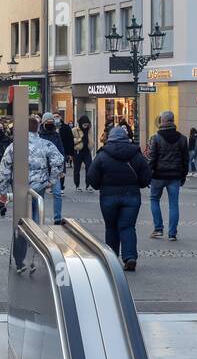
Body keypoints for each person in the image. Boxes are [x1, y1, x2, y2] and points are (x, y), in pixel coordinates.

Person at [87, 125, 152, 272]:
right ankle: (130, 257)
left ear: (110, 138)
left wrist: (98, 186)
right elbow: (146, 176)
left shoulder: (102, 155)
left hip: (108, 197)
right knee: (128, 226)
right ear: (125, 137)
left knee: (111, 227)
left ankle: (112, 258)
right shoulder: (136, 154)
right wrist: (139, 184)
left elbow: (91, 176)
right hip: (131, 197)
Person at [0, 117, 66, 225]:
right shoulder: (46, 144)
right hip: (40, 184)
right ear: (37, 128)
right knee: (37, 211)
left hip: (20, 185)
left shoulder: (14, 146)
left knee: (21, 214)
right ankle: (35, 235)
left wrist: (2, 191)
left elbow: (4, 169)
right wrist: (51, 181)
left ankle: (21, 238)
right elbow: (59, 161)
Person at [147, 110, 188, 242]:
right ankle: (172, 234)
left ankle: (158, 229)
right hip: (175, 176)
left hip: (158, 176)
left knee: (154, 199)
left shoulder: (156, 138)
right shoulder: (182, 139)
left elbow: (152, 159)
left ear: (163, 121)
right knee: (174, 205)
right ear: (173, 120)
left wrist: (148, 174)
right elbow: (185, 160)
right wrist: (183, 176)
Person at [37, 112, 67, 224]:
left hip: (55, 169)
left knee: (57, 193)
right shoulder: (38, 135)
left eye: (51, 122)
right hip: (42, 169)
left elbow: (61, 151)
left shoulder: (56, 134)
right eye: (48, 122)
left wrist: (62, 170)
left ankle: (57, 218)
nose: (50, 124)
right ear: (43, 122)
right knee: (40, 195)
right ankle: (39, 218)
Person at [72, 115, 94, 190]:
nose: (85, 126)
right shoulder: (75, 130)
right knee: (77, 169)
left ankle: (88, 185)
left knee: (89, 168)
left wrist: (91, 145)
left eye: (87, 124)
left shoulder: (89, 130)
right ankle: (77, 185)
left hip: (87, 151)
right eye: (84, 124)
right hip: (78, 151)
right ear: (81, 123)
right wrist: (80, 139)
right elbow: (72, 141)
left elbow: (91, 139)